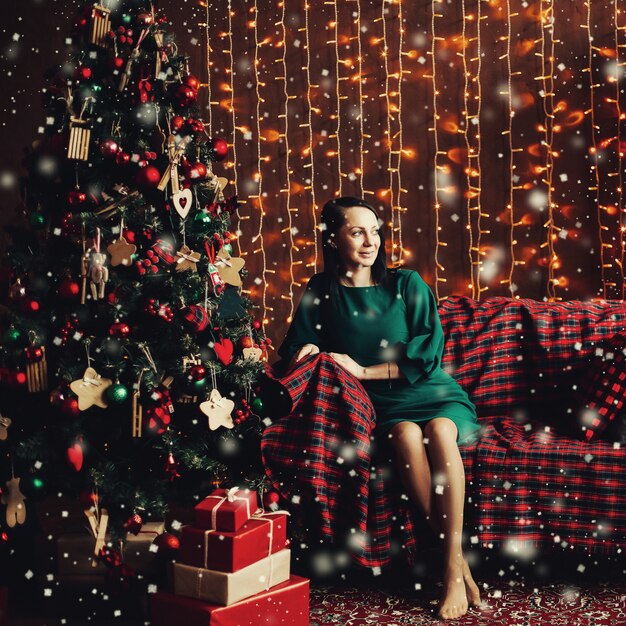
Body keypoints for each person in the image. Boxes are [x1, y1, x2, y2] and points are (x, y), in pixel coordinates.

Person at [276, 196, 482, 620]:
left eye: (374, 230)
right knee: (406, 435)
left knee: (441, 431)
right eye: (357, 231)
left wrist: (364, 370)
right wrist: (309, 348)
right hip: (380, 408)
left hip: (431, 391)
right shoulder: (322, 289)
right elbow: (295, 347)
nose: (370, 241)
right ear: (332, 239)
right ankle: (456, 559)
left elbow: (429, 352)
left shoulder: (405, 283)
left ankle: (450, 568)